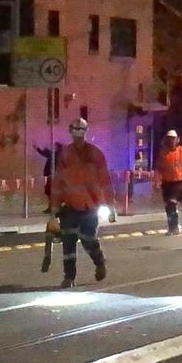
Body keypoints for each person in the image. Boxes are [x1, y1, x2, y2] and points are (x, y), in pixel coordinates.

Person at [49, 118, 115, 288]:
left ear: (85, 132)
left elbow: (105, 181)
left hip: (89, 207)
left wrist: (111, 206)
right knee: (68, 242)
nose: (78, 135)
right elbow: (58, 182)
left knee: (88, 240)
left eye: (80, 131)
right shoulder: (65, 154)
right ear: (71, 132)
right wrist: (54, 208)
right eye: (75, 131)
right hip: (69, 207)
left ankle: (99, 262)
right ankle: (69, 276)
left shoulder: (95, 154)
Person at [158, 130, 182, 235]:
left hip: (178, 181)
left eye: (173, 139)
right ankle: (172, 226)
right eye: (169, 138)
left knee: (172, 203)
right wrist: (157, 180)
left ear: (177, 140)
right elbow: (160, 167)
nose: (171, 141)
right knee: (168, 206)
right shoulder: (163, 152)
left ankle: (175, 225)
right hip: (166, 182)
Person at [34, 142, 63, 213]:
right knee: (50, 192)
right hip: (52, 176)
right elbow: (44, 152)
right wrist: (37, 148)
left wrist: (38, 148)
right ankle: (52, 207)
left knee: (52, 192)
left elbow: (45, 153)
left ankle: (55, 207)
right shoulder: (56, 154)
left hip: (54, 176)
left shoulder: (56, 155)